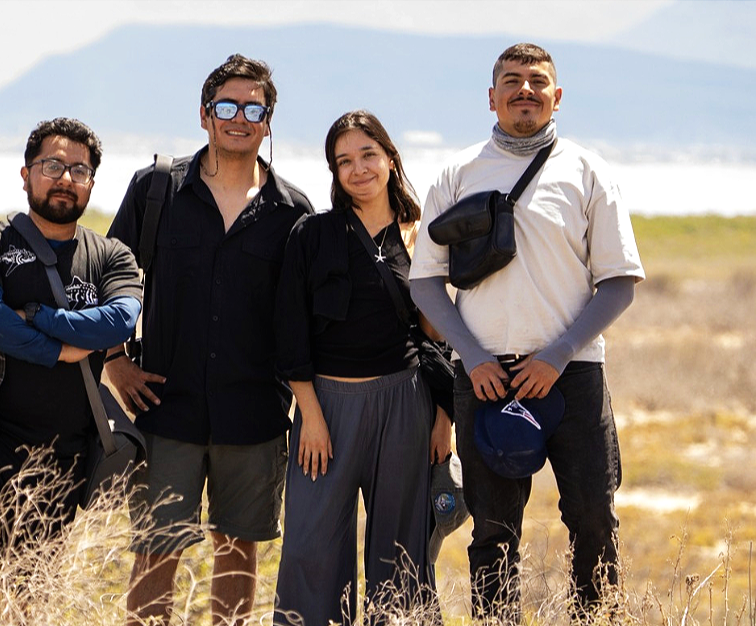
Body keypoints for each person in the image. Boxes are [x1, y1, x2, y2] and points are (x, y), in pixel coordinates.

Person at [410, 43, 645, 623]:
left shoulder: (589, 172)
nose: (524, 91)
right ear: (491, 97)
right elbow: (424, 283)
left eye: (537, 81)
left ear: (556, 96)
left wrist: (559, 355)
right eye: (511, 81)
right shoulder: (457, 173)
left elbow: (618, 282)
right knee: (492, 531)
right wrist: (472, 356)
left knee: (593, 519)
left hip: (573, 375)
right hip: (486, 378)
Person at [105, 54, 314, 626]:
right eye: (227, 106)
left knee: (238, 549)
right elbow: (105, 275)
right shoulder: (156, 190)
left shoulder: (293, 211)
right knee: (155, 550)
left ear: (268, 121)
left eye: (254, 108)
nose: (239, 117)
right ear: (205, 115)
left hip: (254, 412)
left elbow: (303, 317)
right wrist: (113, 361)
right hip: (165, 407)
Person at [0, 117, 143, 601]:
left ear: (91, 183)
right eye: (53, 165)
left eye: (80, 170)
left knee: (31, 582)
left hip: (61, 440)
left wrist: (37, 314)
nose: (66, 177)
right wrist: (61, 348)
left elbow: (119, 322)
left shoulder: (112, 258)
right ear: (26, 174)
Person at [273, 110, 449, 626]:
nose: (358, 169)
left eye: (368, 155)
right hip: (324, 404)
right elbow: (290, 332)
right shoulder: (313, 234)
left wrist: (444, 419)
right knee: (310, 545)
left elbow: (439, 339)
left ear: (391, 160)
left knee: (403, 550)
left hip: (405, 402)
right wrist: (311, 415)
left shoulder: (424, 235)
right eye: (343, 160)